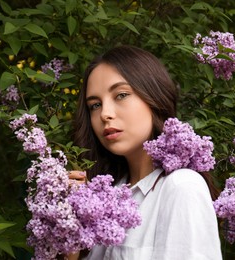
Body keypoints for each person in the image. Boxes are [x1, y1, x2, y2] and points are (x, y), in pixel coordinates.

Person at [70, 45, 222, 259]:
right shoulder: (106, 196)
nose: (105, 113)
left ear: (154, 99)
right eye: (95, 105)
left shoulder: (181, 188)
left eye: (121, 95)